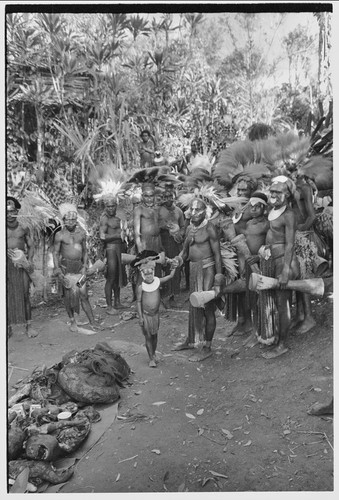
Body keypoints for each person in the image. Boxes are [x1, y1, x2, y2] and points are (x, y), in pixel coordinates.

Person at [172, 198, 222, 362]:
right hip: (194, 270)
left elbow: (217, 254)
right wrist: (178, 258)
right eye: (192, 209)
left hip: (207, 269)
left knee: (206, 307)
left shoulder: (210, 228)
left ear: (205, 211)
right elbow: (185, 253)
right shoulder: (189, 228)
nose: (193, 213)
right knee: (194, 307)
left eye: (197, 210)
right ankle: (193, 339)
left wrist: (218, 278)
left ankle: (207, 346)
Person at [255, 176, 300, 359]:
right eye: (271, 191)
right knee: (275, 302)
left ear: (287, 194)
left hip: (284, 261)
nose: (272, 194)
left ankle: (282, 345)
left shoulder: (289, 215)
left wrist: (285, 271)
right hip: (272, 260)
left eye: (277, 192)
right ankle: (275, 337)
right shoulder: (272, 210)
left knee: (283, 305)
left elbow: (290, 244)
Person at [53, 203, 102, 332]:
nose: (70, 222)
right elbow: (55, 253)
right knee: (68, 296)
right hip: (66, 269)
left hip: (79, 269)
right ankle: (72, 321)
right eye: (67, 219)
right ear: (63, 220)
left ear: (76, 220)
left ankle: (92, 321)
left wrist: (85, 265)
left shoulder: (81, 233)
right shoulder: (59, 235)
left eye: (73, 219)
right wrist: (57, 269)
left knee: (84, 295)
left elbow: (85, 251)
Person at [228, 176, 258, 335]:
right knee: (238, 288)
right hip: (235, 252)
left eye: (243, 189)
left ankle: (251, 323)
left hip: (246, 252)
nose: (239, 192)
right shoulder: (236, 205)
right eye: (238, 189)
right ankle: (241, 321)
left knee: (247, 288)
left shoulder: (253, 207)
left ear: (251, 191)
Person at [7, 196, 38, 338]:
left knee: (25, 294)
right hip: (6, 266)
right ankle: (7, 326)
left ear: (17, 211)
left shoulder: (24, 227)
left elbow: (31, 246)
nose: (9, 215)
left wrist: (30, 260)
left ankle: (29, 326)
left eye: (12, 211)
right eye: (6, 212)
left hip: (22, 264)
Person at [136, 259, 178, 367]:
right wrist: (140, 317)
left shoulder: (157, 281)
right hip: (145, 316)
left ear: (153, 273)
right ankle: (151, 359)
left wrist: (173, 268)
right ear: (142, 275)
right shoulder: (141, 287)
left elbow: (170, 277)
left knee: (154, 335)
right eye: (146, 274)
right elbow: (138, 302)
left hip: (155, 315)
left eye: (150, 274)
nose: (149, 276)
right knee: (148, 336)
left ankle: (153, 353)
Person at [99, 197, 127, 314]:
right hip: (111, 249)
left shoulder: (117, 217)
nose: (110, 209)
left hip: (118, 249)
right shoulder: (105, 219)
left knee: (117, 276)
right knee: (111, 277)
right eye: (108, 206)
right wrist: (117, 236)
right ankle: (109, 306)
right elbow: (102, 236)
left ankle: (117, 302)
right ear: (105, 207)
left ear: (116, 206)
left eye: (112, 206)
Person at [159, 188, 185, 308]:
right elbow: (154, 226)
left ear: (173, 196)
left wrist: (180, 234)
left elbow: (183, 226)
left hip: (175, 244)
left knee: (175, 268)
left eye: (169, 196)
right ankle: (164, 295)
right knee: (163, 267)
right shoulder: (159, 211)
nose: (167, 199)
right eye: (165, 197)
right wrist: (165, 226)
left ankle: (173, 295)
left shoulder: (179, 211)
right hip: (162, 243)